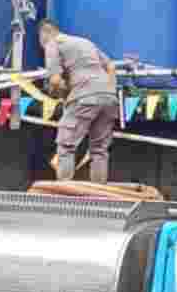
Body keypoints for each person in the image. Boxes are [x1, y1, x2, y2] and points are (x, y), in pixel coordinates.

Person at [38, 19, 118, 184]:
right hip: (109, 97)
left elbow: (55, 81)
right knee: (99, 150)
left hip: (84, 96)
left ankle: (64, 191)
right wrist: (110, 89)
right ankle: (99, 193)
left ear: (44, 34)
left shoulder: (52, 43)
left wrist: (61, 94)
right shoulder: (85, 41)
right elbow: (111, 66)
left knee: (66, 146)